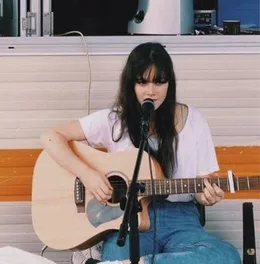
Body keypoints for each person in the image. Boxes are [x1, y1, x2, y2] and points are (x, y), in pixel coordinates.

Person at [40, 42, 241, 264]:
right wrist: (87, 174)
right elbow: (50, 137)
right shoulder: (115, 121)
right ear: (131, 84)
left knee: (226, 257)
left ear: (169, 84)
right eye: (142, 82)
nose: (151, 91)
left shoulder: (195, 122)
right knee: (122, 254)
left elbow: (207, 182)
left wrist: (207, 196)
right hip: (129, 220)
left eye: (159, 81)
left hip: (182, 221)